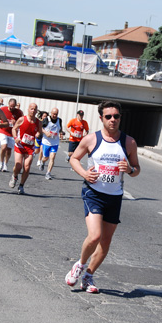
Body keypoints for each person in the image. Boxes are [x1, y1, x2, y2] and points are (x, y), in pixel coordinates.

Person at [64, 101, 140, 293]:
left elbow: (137, 169)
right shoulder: (91, 139)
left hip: (114, 196)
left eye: (116, 116)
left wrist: (130, 169)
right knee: (95, 235)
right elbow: (73, 158)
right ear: (101, 119)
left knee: (105, 242)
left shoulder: (129, 142)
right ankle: (79, 265)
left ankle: (88, 276)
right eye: (108, 116)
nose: (113, 120)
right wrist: (84, 174)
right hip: (94, 193)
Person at [9, 103, 42, 195]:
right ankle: (15, 176)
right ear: (28, 109)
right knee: (18, 165)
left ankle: (21, 186)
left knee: (27, 167)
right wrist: (16, 138)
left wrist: (38, 135)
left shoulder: (38, 122)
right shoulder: (22, 119)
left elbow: (39, 132)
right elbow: (14, 129)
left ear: (36, 111)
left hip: (30, 147)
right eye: (31, 109)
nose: (33, 110)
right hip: (20, 145)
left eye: (35, 109)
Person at [0, 98, 23, 172]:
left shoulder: (19, 112)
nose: (12, 108)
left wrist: (16, 123)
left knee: (8, 150)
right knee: (4, 146)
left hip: (12, 133)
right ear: (8, 104)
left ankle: (5, 164)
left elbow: (21, 123)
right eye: (11, 106)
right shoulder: (3, 109)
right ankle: (0, 163)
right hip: (3, 130)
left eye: (13, 106)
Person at [39, 107, 64, 180]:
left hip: (55, 142)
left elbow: (60, 129)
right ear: (51, 113)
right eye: (53, 114)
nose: (54, 115)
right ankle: (42, 162)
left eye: (56, 114)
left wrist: (61, 133)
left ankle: (48, 173)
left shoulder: (59, 120)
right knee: (45, 158)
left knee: (52, 157)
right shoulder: (47, 119)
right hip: (46, 142)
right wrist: (46, 132)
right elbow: (40, 128)